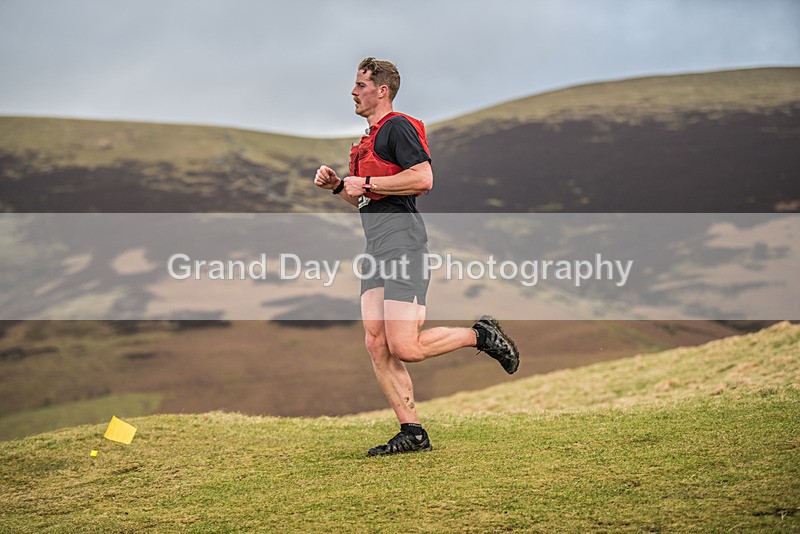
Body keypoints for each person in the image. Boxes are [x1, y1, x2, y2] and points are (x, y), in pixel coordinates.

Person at [314, 57, 519, 456]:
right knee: (376, 343)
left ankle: (481, 335)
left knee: (405, 347)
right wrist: (339, 185)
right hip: (375, 247)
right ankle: (413, 432)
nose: (353, 92)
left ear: (381, 90)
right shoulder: (366, 140)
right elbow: (363, 198)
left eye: (360, 85)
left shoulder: (397, 127)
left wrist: (367, 181)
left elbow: (423, 178)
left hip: (404, 243)